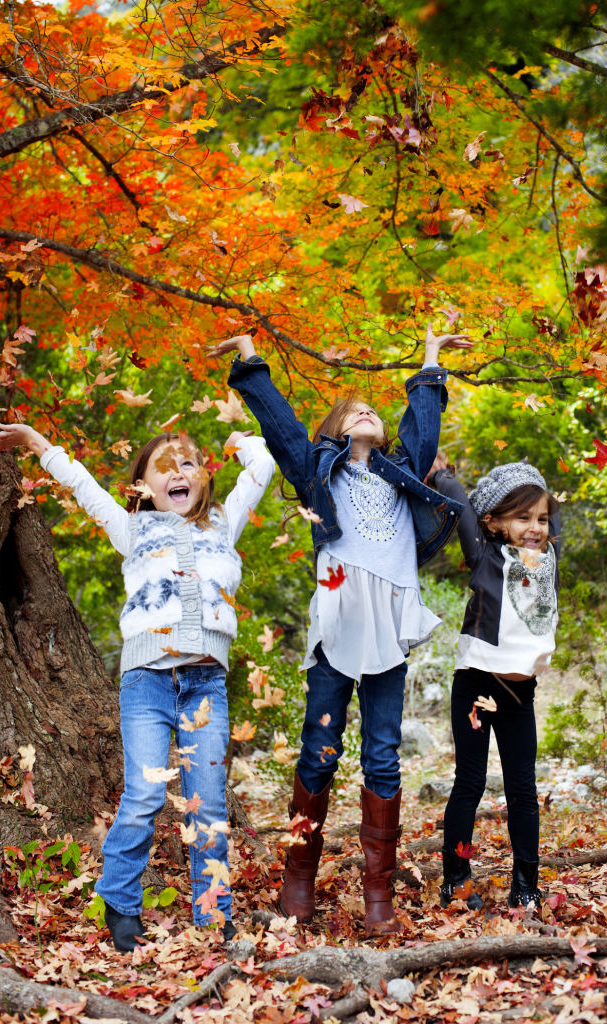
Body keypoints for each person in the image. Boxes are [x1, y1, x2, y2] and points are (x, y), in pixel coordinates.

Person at [207, 326, 472, 935]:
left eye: (374, 410)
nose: (368, 414)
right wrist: (249, 355)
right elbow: (281, 428)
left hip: (387, 640)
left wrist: (429, 358)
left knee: (383, 758)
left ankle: (378, 895)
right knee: (319, 755)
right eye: (355, 411)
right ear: (335, 430)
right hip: (336, 636)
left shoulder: (401, 471)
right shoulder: (317, 471)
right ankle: (298, 878)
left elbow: (423, 425)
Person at [0, 420, 274, 949]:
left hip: (206, 684)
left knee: (206, 803)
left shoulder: (223, 524)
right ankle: (119, 902)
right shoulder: (132, 529)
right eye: (163, 468)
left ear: (204, 479)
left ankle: (213, 913)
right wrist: (37, 444)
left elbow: (262, 467)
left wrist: (235, 440)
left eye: (187, 463)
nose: (177, 473)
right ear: (143, 486)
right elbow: (82, 486)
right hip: (147, 684)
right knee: (142, 794)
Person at [428, 456, 561, 911]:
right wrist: (443, 474)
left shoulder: (545, 563)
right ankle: (456, 880)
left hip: (520, 694)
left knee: (523, 790)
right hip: (477, 688)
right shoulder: (485, 557)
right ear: (495, 522)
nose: (535, 527)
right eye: (522, 517)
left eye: (542, 518)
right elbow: (463, 509)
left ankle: (526, 884)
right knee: (470, 783)